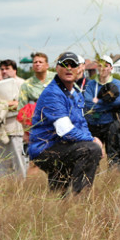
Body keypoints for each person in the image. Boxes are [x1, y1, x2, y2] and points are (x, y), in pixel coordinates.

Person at [27, 51, 104, 195]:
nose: (69, 68)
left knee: (58, 193)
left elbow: (81, 124)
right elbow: (65, 130)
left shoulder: (74, 92)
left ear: (79, 69)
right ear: (56, 68)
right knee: (90, 149)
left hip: (60, 145)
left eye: (73, 65)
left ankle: (60, 204)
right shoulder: (53, 93)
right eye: (64, 64)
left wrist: (92, 138)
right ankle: (79, 200)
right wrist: (93, 141)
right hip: (45, 148)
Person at [82, 54, 120, 146]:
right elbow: (88, 103)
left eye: (106, 66)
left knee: (112, 152)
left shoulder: (117, 83)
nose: (103, 68)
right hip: (93, 123)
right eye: (100, 65)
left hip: (110, 122)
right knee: (94, 151)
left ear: (111, 68)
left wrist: (100, 101)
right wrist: (110, 104)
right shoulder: (91, 84)